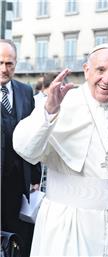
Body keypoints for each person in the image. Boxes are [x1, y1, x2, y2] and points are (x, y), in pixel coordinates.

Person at [13, 44, 108, 257]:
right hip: (68, 226)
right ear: (87, 70)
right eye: (100, 70)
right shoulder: (60, 103)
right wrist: (48, 112)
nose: (107, 79)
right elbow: (25, 148)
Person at [0, 39, 41, 257]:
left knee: (19, 239)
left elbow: (35, 134)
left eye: (9, 64)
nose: (4, 69)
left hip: (20, 184)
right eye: (0, 63)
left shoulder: (25, 91)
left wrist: (35, 177)